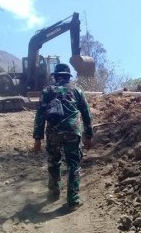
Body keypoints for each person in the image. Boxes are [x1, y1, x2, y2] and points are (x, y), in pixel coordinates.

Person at [33, 63, 94, 211]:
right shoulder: (77, 90)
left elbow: (40, 115)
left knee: (54, 161)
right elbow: (86, 113)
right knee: (73, 164)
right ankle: (73, 200)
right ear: (68, 76)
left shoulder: (47, 91)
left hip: (53, 133)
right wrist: (89, 135)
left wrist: (37, 138)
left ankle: (54, 193)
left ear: (55, 76)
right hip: (72, 132)